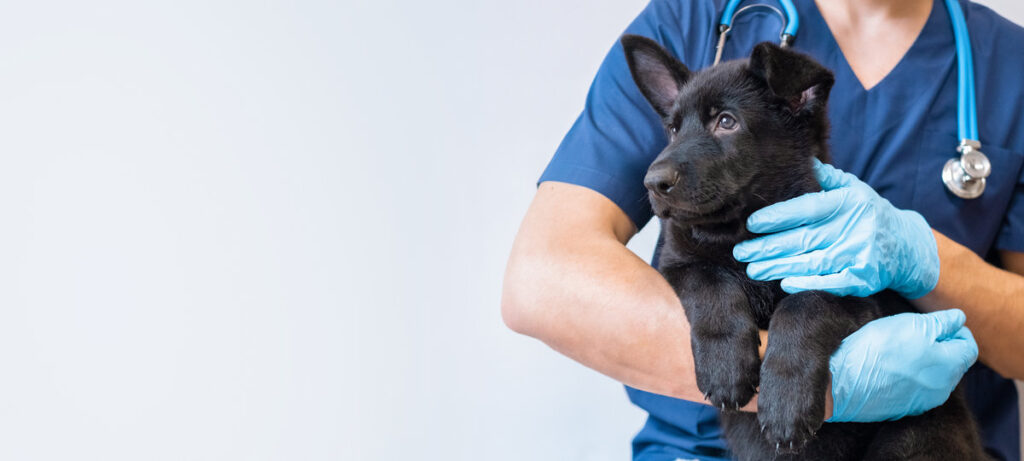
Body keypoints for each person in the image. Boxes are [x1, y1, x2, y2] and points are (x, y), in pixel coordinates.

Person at [501, 0, 1024, 459]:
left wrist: (924, 257)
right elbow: (541, 280)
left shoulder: (1007, 63)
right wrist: (815, 382)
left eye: (723, 122)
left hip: (916, 441)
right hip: (702, 449)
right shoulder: (694, 17)